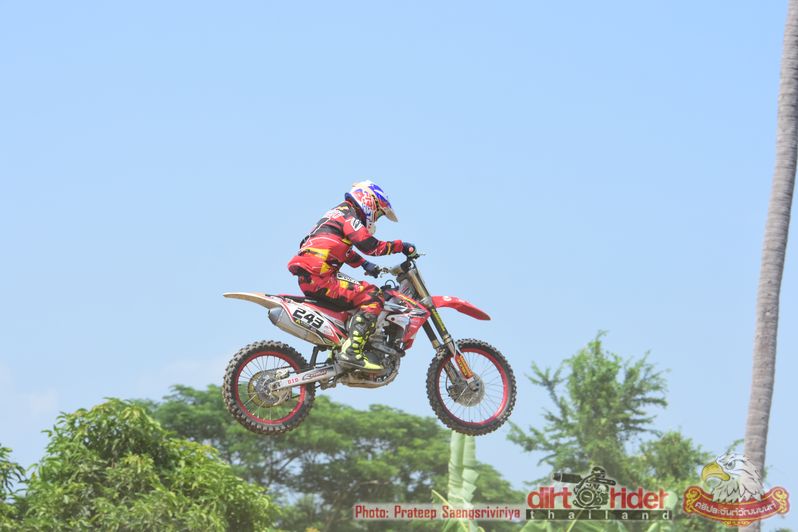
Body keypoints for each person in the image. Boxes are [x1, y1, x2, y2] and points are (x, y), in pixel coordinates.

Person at [287, 181, 416, 372]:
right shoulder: (349, 216)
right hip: (321, 277)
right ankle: (352, 352)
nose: (377, 219)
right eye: (379, 213)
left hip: (312, 275)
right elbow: (370, 246)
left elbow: (337, 246)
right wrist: (401, 246)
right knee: (373, 296)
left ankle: (338, 351)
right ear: (369, 201)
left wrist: (365, 265)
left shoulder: (335, 214)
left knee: (353, 302)